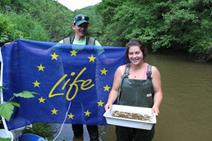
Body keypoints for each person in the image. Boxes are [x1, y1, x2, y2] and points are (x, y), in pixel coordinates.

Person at [104, 40, 163, 141]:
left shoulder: (152, 71)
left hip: (145, 118)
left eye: (137, 53)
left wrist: (156, 106)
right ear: (127, 55)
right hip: (123, 117)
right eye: (131, 53)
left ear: (143, 53)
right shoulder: (121, 70)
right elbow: (114, 90)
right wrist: (109, 102)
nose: (134, 56)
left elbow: (158, 92)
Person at [60, 14, 101, 141]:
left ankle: (94, 139)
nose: (82, 28)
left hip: (89, 89)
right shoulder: (64, 43)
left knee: (92, 119)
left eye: (85, 25)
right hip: (71, 88)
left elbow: (107, 60)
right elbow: (47, 54)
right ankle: (78, 138)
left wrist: (125, 56)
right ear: (73, 26)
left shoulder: (93, 43)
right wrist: (19, 46)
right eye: (80, 25)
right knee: (75, 119)